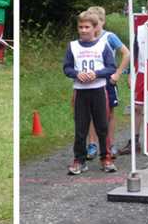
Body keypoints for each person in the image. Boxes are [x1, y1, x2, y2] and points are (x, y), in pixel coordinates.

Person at [63, 10, 117, 175]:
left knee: (102, 126)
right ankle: (79, 160)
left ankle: (106, 158)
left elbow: (111, 68)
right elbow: (67, 68)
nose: (84, 30)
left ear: (95, 27)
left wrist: (96, 74)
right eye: (81, 27)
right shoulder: (73, 46)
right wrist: (76, 73)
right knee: (81, 128)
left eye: (87, 27)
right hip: (80, 92)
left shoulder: (103, 45)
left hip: (99, 90)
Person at [120, 0, 148, 155]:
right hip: (143, 73)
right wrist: (130, 74)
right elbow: (134, 53)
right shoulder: (140, 30)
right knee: (138, 107)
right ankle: (134, 140)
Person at [85, 6, 130, 159]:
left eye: (95, 24)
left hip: (108, 81)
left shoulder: (110, 37)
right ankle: (92, 145)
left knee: (109, 113)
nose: (93, 27)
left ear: (102, 22)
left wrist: (118, 73)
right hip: (91, 81)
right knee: (91, 112)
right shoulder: (86, 39)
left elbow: (127, 54)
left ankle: (109, 144)